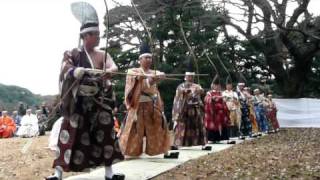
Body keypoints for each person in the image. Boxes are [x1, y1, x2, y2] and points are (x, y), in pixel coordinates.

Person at [46, 2, 124, 180]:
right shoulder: (73, 53)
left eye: (98, 34)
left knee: (106, 133)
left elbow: (114, 66)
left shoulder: (102, 54)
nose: (98, 38)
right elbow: (65, 68)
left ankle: (109, 173)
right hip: (78, 101)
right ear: (85, 36)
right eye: (95, 35)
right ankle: (57, 174)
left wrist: (109, 72)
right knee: (68, 135)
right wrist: (75, 71)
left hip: (98, 100)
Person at [119, 42, 171, 158]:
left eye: (150, 58)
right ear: (140, 59)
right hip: (137, 105)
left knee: (158, 125)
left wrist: (161, 75)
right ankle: (128, 152)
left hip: (151, 105)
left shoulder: (154, 72)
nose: (148, 60)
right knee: (133, 129)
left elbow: (159, 76)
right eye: (146, 57)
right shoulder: (133, 72)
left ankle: (162, 150)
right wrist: (148, 81)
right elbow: (132, 88)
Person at [172, 71, 207, 148]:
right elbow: (178, 95)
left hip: (195, 108)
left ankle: (202, 144)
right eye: (189, 76)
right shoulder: (181, 86)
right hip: (183, 109)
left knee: (198, 126)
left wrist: (200, 91)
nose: (190, 78)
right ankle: (177, 144)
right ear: (185, 77)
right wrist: (184, 92)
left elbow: (202, 91)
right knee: (181, 126)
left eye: (192, 76)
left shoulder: (197, 86)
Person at [204, 78, 230, 143]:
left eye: (218, 85)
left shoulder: (221, 93)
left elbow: (224, 101)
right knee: (212, 125)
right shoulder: (209, 93)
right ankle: (212, 139)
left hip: (221, 111)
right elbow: (206, 100)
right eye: (215, 85)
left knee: (223, 124)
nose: (217, 86)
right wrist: (213, 98)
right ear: (212, 85)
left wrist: (224, 99)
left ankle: (222, 138)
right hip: (213, 111)